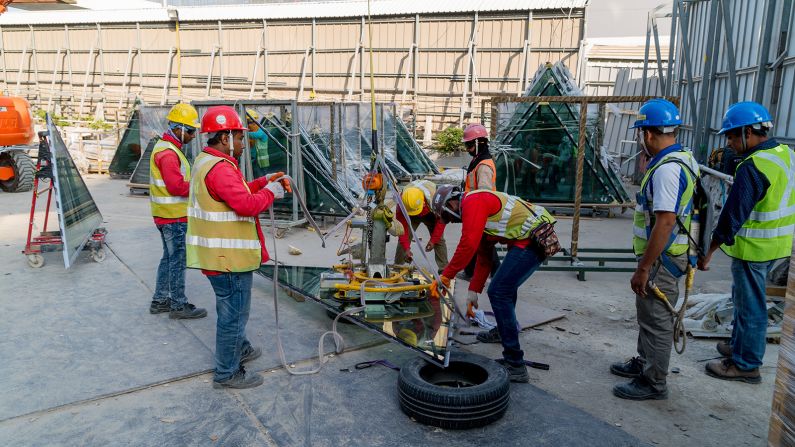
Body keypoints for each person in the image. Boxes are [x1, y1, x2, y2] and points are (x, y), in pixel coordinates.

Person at [186, 105, 290, 389]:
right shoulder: (220, 168)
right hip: (228, 260)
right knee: (233, 315)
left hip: (221, 258)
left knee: (234, 311)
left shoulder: (209, 161)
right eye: (241, 137)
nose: (245, 143)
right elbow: (245, 204)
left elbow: (239, 190)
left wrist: (265, 181)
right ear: (225, 138)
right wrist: (271, 192)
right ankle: (226, 372)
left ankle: (239, 349)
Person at [699, 101, 794, 384]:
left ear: (748, 133)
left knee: (750, 306)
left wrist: (709, 251)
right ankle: (741, 346)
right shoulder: (785, 154)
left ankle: (746, 363)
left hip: (754, 248)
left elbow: (731, 218)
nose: (729, 143)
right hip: (777, 244)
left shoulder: (753, 167)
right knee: (745, 299)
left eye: (731, 136)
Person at [610, 99, 700, 401]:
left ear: (648, 134)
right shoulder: (684, 158)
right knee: (648, 314)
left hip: (661, 259)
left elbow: (665, 221)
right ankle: (644, 362)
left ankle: (654, 382)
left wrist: (644, 267)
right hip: (666, 256)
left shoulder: (666, 170)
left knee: (657, 320)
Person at [429, 185, 556, 383]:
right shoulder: (475, 211)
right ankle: (502, 331)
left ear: (452, 202)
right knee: (504, 288)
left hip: (533, 240)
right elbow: (484, 258)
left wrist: (446, 275)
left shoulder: (473, 202)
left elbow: (468, 244)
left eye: (448, 215)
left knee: (499, 291)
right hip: (525, 240)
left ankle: (515, 364)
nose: (451, 220)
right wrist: (472, 293)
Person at [148, 103, 207, 319]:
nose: (193, 136)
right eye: (190, 131)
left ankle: (160, 300)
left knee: (169, 258)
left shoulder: (167, 149)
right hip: (173, 217)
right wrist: (201, 186)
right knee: (178, 260)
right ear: (178, 128)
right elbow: (175, 187)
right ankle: (177, 305)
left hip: (165, 215)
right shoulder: (168, 153)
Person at [459, 123, 500, 281]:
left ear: (478, 143)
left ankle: (497, 275)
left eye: (469, 145)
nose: (468, 149)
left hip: (481, 211)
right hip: (475, 209)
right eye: (466, 145)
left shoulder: (483, 166)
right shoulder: (477, 160)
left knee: (483, 244)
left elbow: (484, 193)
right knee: (475, 241)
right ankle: (469, 271)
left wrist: (479, 214)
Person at [395, 179, 448, 272]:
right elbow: (401, 229)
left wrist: (433, 241)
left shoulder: (435, 199)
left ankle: (444, 271)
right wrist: (406, 248)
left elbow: (441, 223)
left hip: (431, 212)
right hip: (410, 214)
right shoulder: (402, 203)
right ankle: (397, 268)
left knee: (439, 240)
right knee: (403, 241)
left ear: (423, 202)